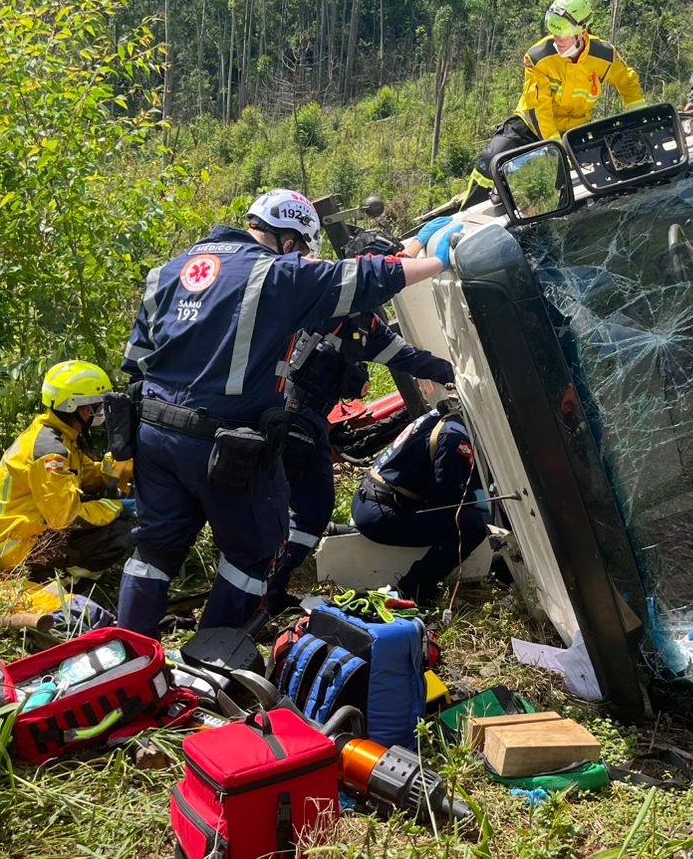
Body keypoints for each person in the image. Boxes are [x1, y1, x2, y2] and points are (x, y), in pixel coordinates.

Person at [116, 189, 463, 635]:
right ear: (289, 241)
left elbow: (136, 360)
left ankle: (127, 655)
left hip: (152, 433)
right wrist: (440, 262)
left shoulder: (167, 272)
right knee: (251, 553)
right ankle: (211, 657)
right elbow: (368, 277)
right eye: (301, 250)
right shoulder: (276, 274)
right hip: (222, 443)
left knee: (154, 552)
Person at [266, 306, 456, 615]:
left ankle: (272, 586)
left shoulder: (368, 328)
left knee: (314, 510)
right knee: (266, 507)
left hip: (312, 425)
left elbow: (410, 359)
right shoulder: (313, 300)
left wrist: (455, 373)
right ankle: (252, 593)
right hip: (277, 418)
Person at [460, 0, 645, 207]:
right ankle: (465, 216)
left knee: (565, 192)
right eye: (554, 33)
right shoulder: (538, 58)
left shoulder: (604, 56)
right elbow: (541, 109)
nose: (558, 41)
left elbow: (628, 83)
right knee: (491, 161)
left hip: (574, 133)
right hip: (531, 127)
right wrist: (556, 145)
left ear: (583, 30)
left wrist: (638, 121)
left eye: (564, 34)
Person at [0, 360, 137, 583]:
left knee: (107, 525)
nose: (102, 413)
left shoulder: (61, 436)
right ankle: (54, 587)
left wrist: (121, 462)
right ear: (83, 409)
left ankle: (53, 577)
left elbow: (90, 477)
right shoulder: (49, 452)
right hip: (15, 547)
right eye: (98, 406)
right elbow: (66, 518)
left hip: (23, 534)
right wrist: (117, 507)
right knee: (117, 536)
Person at [351, 401, 488, 603]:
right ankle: (415, 589)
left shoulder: (442, 417)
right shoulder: (456, 438)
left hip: (370, 499)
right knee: (470, 525)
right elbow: (446, 500)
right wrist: (478, 499)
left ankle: (339, 531)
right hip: (382, 512)